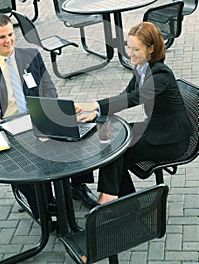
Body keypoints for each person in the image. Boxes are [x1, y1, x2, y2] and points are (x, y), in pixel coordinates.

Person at [0, 13, 98, 220]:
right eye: (2, 37)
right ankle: (44, 208)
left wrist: (53, 111)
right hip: (7, 127)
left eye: (10, 34)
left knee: (74, 137)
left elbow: (49, 89)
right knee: (29, 170)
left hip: (37, 118)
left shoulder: (31, 55)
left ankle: (77, 186)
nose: (8, 40)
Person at [76, 21, 190, 204]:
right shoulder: (141, 68)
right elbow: (126, 95)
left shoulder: (161, 75)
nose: (130, 54)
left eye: (136, 49)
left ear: (151, 49)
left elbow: (134, 98)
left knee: (116, 149)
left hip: (171, 139)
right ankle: (125, 200)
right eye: (129, 48)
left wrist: (95, 105)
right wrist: (98, 115)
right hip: (156, 128)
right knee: (111, 141)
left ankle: (110, 199)